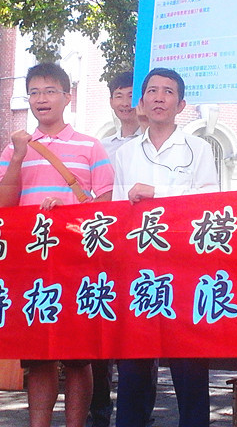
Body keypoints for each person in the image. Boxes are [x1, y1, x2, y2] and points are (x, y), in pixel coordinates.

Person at [0, 62, 114, 427]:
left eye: (49, 91)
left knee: (78, 357)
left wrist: (69, 210)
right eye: (34, 92)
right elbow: (1, 205)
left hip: (77, 264)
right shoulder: (13, 148)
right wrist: (18, 155)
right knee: (39, 356)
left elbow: (107, 206)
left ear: (67, 97)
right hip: (31, 264)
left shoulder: (90, 146)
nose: (41, 99)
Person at [112, 67, 219, 427]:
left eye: (168, 92)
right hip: (138, 275)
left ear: (181, 104)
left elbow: (208, 204)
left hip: (184, 271)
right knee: (133, 372)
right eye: (152, 91)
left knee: (189, 370)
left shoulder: (199, 149)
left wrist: (159, 194)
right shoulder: (125, 153)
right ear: (141, 101)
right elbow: (117, 213)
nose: (159, 98)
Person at [89, 70, 144, 427]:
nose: (125, 103)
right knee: (100, 334)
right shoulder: (102, 146)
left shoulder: (154, 142)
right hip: (104, 249)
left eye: (131, 95)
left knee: (136, 338)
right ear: (111, 101)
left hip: (141, 248)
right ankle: (99, 412)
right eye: (118, 96)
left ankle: (137, 415)